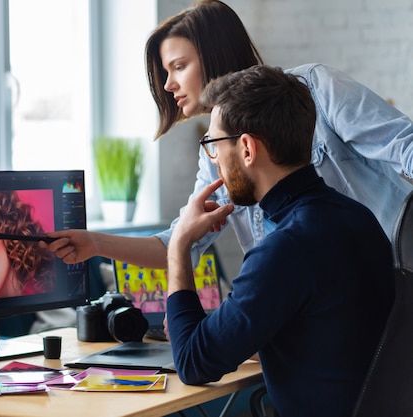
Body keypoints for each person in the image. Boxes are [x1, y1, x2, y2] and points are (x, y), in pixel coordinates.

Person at [46, 0, 412, 270]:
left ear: (215, 56)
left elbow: (406, 146)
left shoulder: (316, 89)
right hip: (316, 313)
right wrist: (94, 243)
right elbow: (180, 244)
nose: (169, 84)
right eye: (166, 71)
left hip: (391, 284)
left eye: (178, 66)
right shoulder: (218, 154)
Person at [166, 64, 394, 417]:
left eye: (214, 145)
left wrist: (179, 244)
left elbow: (195, 363)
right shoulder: (357, 218)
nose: (215, 162)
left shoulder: (287, 248)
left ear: (246, 148)